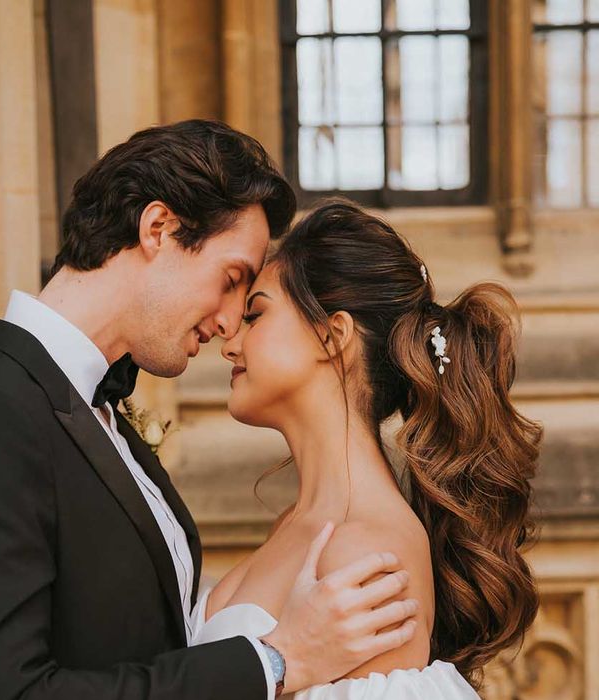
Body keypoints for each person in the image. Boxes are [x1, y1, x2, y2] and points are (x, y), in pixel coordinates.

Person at [0, 121, 418, 700]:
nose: (227, 323)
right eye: (231, 279)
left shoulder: (99, 416)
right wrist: (270, 664)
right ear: (159, 228)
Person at [196, 199, 543, 697]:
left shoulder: (370, 554)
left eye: (255, 315)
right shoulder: (297, 524)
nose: (230, 342)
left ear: (332, 335)